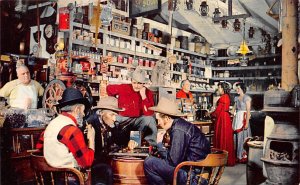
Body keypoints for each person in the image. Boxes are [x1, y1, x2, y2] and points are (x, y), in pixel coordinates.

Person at [144, 97, 211, 185]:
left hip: (193, 177)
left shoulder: (178, 129)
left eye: (159, 120)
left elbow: (173, 162)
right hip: (194, 171)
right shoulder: (180, 125)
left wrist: (160, 144)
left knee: (149, 162)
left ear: (167, 118)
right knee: (155, 161)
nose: (158, 123)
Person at [40, 88, 99, 184]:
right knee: (103, 172)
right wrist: (91, 139)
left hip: (51, 178)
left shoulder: (52, 124)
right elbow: (87, 162)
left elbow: (39, 147)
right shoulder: (72, 130)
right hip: (68, 179)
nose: (83, 114)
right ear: (77, 109)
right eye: (83, 111)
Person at [106, 67, 157, 146]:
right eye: (134, 82)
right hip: (123, 118)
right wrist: (114, 104)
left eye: (139, 83)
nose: (136, 86)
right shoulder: (124, 87)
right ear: (131, 81)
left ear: (144, 83)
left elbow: (149, 113)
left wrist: (143, 96)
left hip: (137, 120)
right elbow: (108, 88)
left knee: (149, 119)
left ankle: (150, 146)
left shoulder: (148, 93)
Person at [210, 82, 235, 166]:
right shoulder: (227, 97)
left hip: (222, 119)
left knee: (221, 136)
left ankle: (220, 160)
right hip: (225, 118)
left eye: (219, 88)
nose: (218, 89)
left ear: (223, 89)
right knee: (226, 138)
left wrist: (210, 114)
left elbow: (217, 111)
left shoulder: (223, 97)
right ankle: (227, 159)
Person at [232, 82, 252, 163]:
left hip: (243, 119)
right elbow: (233, 110)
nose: (237, 90)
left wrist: (247, 122)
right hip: (237, 119)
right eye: (236, 88)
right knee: (237, 137)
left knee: (243, 137)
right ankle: (237, 155)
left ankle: (243, 156)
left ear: (242, 89)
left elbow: (248, 111)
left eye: (238, 88)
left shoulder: (247, 98)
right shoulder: (236, 98)